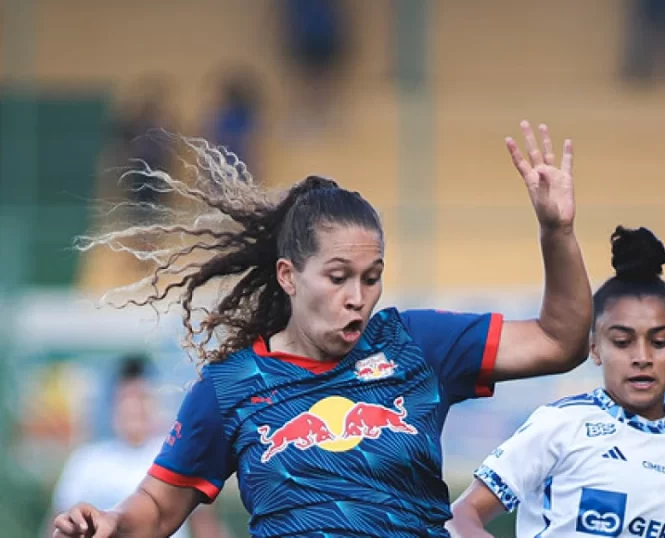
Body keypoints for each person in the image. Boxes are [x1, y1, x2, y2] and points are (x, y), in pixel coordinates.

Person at [52, 120, 593, 538]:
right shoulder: (231, 386)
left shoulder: (417, 345)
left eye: (372, 278)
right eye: (338, 277)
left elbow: (559, 341)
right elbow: (155, 508)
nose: (357, 296)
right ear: (289, 275)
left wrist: (557, 231)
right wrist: (110, 523)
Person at [447, 226, 665, 538]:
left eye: (659, 342)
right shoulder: (560, 425)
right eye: (622, 342)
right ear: (595, 348)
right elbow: (460, 516)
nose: (642, 357)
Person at [45, 355, 228, 538]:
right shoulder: (86, 461)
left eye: (141, 398)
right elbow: (58, 525)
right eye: (125, 398)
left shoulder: (178, 454)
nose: (133, 407)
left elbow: (206, 527)